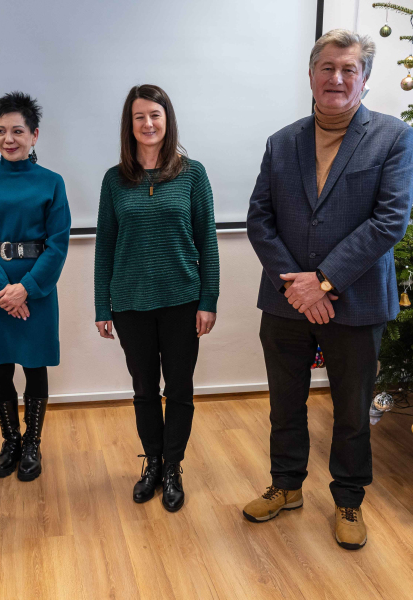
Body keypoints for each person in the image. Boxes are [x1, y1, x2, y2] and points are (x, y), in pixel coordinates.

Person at [245, 30, 413, 549]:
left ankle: (349, 499)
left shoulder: (393, 137)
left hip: (356, 301)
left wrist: (322, 281)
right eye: (327, 68)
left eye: (348, 69)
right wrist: (298, 287)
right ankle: (286, 485)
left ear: (363, 78)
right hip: (286, 301)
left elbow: (390, 221)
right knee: (285, 402)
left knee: (352, 408)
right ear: (311, 74)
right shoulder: (282, 141)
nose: (336, 78)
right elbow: (259, 219)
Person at [94, 84, 219, 512]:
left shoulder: (192, 174)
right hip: (130, 303)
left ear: (167, 121)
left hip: (182, 301)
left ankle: (173, 468)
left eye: (155, 115)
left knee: (179, 389)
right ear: (129, 125)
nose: (148, 124)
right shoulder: (114, 180)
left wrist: (209, 300)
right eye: (139, 117)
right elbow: (105, 246)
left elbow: (207, 241)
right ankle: (152, 462)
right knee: (144, 390)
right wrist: (102, 305)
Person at [0, 92, 71, 482]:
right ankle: (10, 441)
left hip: (36, 288)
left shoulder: (52, 183)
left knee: (35, 365)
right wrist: (3, 291)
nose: (9, 139)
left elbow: (58, 244)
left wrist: (26, 288)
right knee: (1, 366)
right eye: (1, 131)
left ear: (34, 135)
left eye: (18, 131)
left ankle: (32, 444)